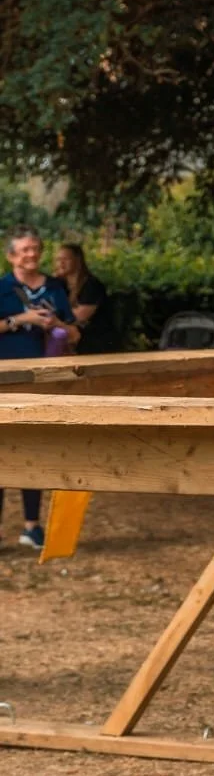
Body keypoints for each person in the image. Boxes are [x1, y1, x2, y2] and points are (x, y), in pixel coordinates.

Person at [0, 225, 78, 549]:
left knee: (34, 450)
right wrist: (23, 320)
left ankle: (32, 527)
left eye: (35, 248)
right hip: (4, 380)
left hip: (44, 380)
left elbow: (75, 334)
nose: (32, 254)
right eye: (25, 250)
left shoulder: (56, 288)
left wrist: (56, 324)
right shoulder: (2, 287)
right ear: (11, 256)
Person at [53, 243, 112, 355]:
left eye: (66, 259)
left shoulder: (91, 285)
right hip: (70, 332)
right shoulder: (60, 284)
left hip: (92, 338)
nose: (61, 263)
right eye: (58, 259)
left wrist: (53, 318)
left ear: (78, 260)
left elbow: (79, 317)